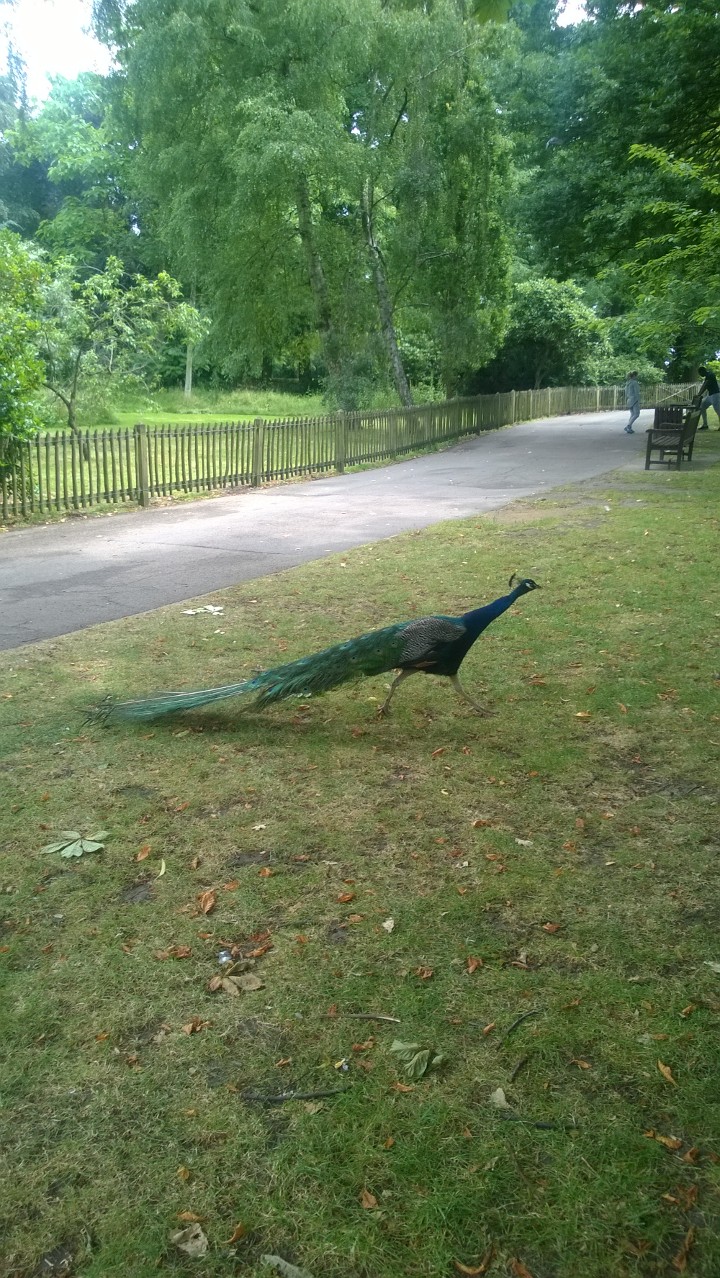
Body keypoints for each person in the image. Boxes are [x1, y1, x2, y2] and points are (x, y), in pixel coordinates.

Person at [697, 365, 720, 430]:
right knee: (702, 406)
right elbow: (704, 385)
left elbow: (705, 386)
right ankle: (705, 424)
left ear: (702, 371)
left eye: (700, 373)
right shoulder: (707, 376)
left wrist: (699, 395)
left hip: (715, 395)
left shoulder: (710, 375)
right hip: (710, 395)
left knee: (718, 410)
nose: (700, 375)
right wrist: (699, 394)